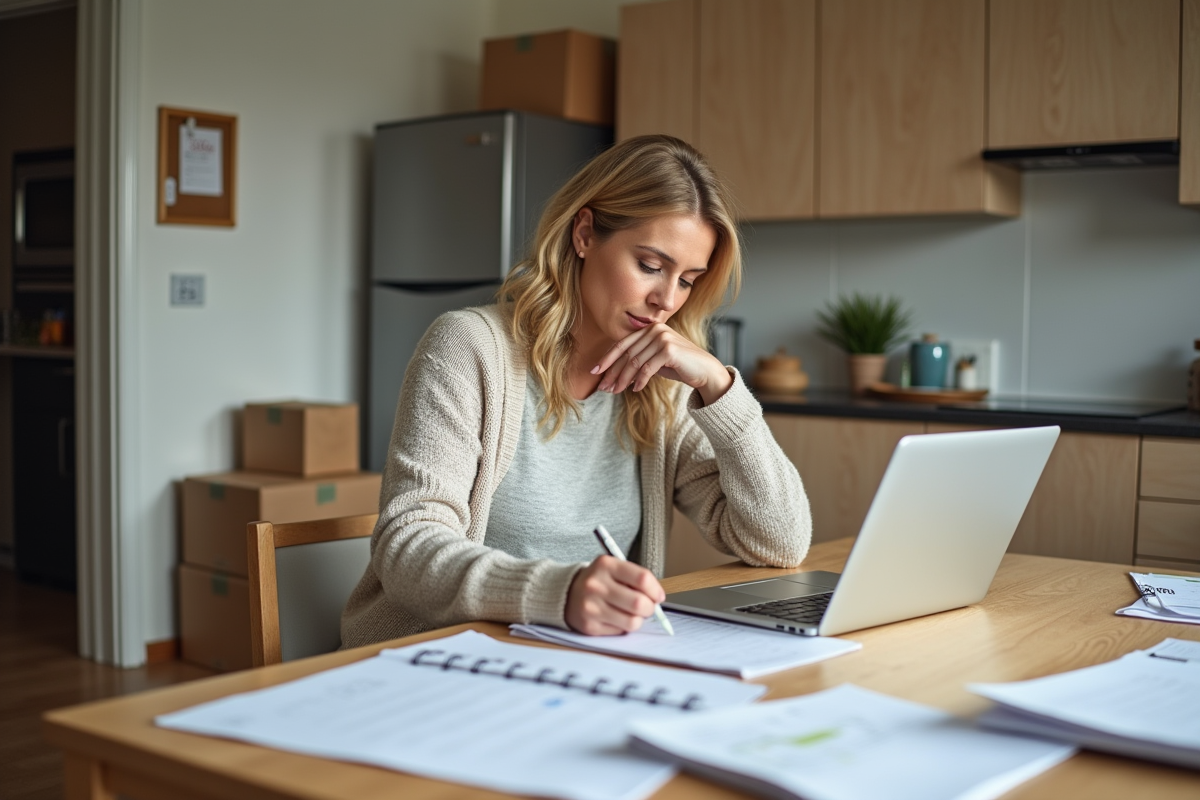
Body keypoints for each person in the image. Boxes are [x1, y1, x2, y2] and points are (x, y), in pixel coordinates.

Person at [341, 134, 811, 648]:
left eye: (687, 280)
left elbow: (779, 542)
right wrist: (557, 594)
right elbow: (407, 548)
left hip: (571, 662)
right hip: (436, 659)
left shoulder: (662, 387)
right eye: (651, 266)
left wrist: (721, 388)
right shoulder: (470, 348)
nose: (666, 301)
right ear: (585, 234)